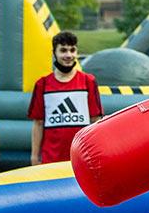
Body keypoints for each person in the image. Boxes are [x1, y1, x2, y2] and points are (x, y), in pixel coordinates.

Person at [29, 31, 103, 164]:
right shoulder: (42, 84)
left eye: (72, 50)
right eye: (63, 50)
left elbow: (96, 121)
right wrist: (34, 156)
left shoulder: (88, 81)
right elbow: (38, 123)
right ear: (54, 53)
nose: (68, 55)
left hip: (81, 158)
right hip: (50, 159)